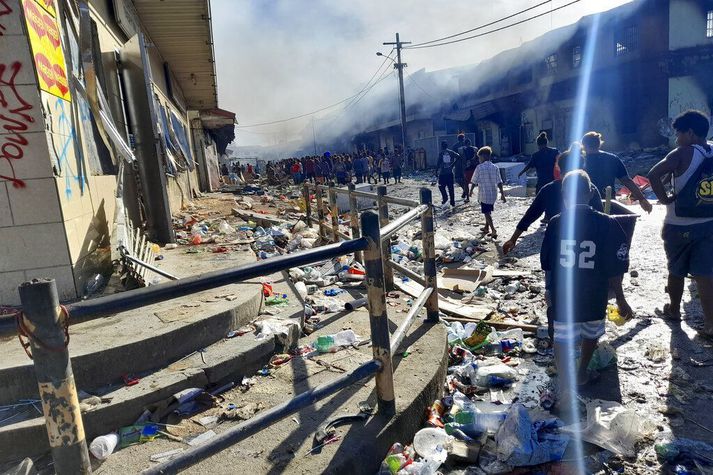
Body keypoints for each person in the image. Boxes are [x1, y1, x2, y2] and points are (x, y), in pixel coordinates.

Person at [541, 170, 630, 395]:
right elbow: (615, 269)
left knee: (561, 338)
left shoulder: (556, 223)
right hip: (594, 294)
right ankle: (581, 373)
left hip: (564, 294)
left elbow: (548, 263)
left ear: (564, 194)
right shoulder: (607, 223)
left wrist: (549, 293)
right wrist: (620, 298)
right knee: (591, 333)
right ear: (591, 193)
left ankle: (564, 384)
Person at [648, 110, 713, 339]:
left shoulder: (681, 153)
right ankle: (710, 324)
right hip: (709, 223)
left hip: (678, 224)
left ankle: (674, 310)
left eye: (679, 134)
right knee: (705, 273)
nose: (677, 139)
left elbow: (653, 174)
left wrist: (664, 199)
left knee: (675, 269)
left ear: (691, 133)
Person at [582, 131, 653, 214]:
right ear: (599, 144)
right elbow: (627, 180)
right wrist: (642, 199)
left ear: (584, 145)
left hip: (586, 204)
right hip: (608, 202)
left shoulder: (580, 160)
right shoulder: (612, 159)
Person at [470, 146, 506, 237]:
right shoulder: (495, 167)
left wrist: (470, 191)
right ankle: (486, 227)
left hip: (484, 194)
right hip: (493, 194)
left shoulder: (479, 167)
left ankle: (493, 230)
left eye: (479, 157)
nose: (479, 159)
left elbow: (474, 181)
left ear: (483, 156)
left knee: (486, 213)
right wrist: (502, 194)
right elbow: (499, 182)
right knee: (488, 211)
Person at [435, 141, 460, 207]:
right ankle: (452, 202)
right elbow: (458, 156)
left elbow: (438, 162)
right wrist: (452, 165)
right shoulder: (451, 152)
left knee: (441, 187)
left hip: (443, 173)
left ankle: (445, 197)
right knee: (451, 188)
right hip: (450, 173)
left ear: (442, 146)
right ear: (447, 146)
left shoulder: (441, 153)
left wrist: (436, 171)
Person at [452, 134, 468, 200]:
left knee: (458, 179)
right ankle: (466, 193)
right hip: (465, 164)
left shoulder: (455, 146)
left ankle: (465, 191)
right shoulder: (466, 145)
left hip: (458, 164)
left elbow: (453, 156)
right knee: (465, 180)